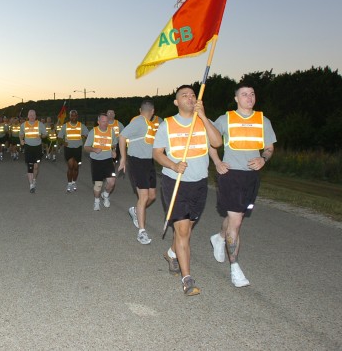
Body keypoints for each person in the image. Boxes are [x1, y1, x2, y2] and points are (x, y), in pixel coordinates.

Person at [153, 85, 222, 296]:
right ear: (176, 102)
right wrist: (173, 165)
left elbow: (217, 142)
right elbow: (157, 153)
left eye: (193, 95)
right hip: (175, 182)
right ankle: (187, 279)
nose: (190, 98)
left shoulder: (202, 121)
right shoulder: (168, 124)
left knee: (187, 229)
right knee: (183, 231)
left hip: (199, 184)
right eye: (185, 95)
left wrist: (203, 115)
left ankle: (172, 252)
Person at [208, 84, 276, 287]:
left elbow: (270, 148)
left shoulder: (263, 120)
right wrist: (217, 162)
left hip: (252, 177)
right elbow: (211, 142)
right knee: (236, 222)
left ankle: (219, 237)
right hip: (231, 175)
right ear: (236, 99)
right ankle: (235, 267)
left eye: (252, 94)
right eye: (244, 94)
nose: (249, 97)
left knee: (235, 219)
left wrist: (263, 159)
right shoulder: (225, 119)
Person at [118, 100, 158, 245]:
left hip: (149, 162)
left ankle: (135, 210)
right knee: (144, 196)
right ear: (152, 111)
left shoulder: (151, 125)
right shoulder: (139, 121)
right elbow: (122, 136)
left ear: (140, 109)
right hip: (137, 162)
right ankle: (142, 232)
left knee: (152, 196)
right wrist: (123, 158)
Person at [84, 113, 117, 210]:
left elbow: (114, 144)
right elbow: (86, 147)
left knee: (112, 182)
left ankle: (105, 195)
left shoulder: (111, 131)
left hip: (108, 160)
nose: (105, 123)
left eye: (107, 121)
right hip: (96, 161)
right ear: (98, 122)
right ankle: (97, 201)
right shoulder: (93, 132)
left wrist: (113, 150)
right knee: (98, 184)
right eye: (103, 121)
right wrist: (94, 149)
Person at [58, 110, 89, 192]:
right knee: (70, 166)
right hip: (68, 149)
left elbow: (88, 134)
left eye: (75, 116)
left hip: (78, 148)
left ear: (77, 116)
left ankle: (74, 182)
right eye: (72, 116)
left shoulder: (81, 126)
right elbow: (60, 137)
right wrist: (63, 142)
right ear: (70, 116)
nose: (73, 117)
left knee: (76, 167)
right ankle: (69, 184)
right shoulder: (65, 126)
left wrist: (86, 137)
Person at [20, 110, 48, 193]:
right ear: (28, 116)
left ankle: (34, 179)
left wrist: (41, 136)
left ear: (36, 116)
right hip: (28, 147)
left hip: (37, 148)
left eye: (33, 115)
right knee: (30, 166)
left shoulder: (40, 124)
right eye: (30, 115)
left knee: (36, 166)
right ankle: (31, 185)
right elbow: (21, 134)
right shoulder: (23, 125)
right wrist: (21, 140)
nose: (32, 116)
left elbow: (45, 134)